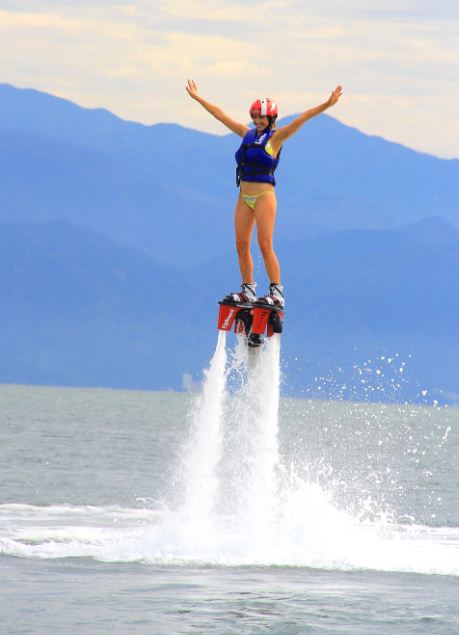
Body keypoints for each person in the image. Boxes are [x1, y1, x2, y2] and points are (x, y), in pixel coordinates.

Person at [186, 79, 342, 308]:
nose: (258, 120)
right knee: (241, 243)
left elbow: (302, 119)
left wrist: (327, 104)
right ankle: (248, 289)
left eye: (262, 117)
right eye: (255, 116)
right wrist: (198, 98)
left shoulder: (276, 138)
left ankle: (276, 291)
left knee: (265, 243)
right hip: (244, 195)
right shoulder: (247, 134)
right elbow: (220, 115)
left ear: (271, 119)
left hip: (264, 196)